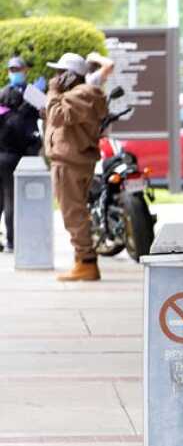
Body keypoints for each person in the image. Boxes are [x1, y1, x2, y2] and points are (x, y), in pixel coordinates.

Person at [43, 52, 108, 282]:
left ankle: (86, 263)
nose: (56, 77)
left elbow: (57, 116)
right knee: (76, 212)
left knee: (73, 214)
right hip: (74, 161)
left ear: (71, 76)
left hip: (69, 163)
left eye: (60, 73)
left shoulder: (81, 94)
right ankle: (82, 260)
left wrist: (52, 92)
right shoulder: (80, 95)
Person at [0, 57, 43, 251]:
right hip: (13, 155)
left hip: (9, 155)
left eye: (18, 68)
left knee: (5, 198)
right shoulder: (29, 94)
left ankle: (11, 240)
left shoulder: (6, 94)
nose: (15, 72)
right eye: (12, 69)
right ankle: (12, 241)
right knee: (10, 198)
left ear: (25, 70)